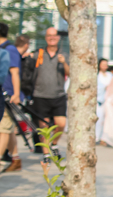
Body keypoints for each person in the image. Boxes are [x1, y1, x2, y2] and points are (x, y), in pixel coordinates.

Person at [30, 27, 69, 161]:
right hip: (40, 94)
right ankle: (46, 153)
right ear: (46, 37)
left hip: (58, 95)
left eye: (54, 35)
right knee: (44, 126)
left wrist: (64, 63)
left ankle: (54, 144)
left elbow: (70, 74)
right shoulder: (39, 53)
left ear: (58, 37)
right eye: (49, 35)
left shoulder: (64, 54)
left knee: (61, 124)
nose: (52, 38)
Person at [0, 22, 21, 173]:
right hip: (4, 93)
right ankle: (16, 158)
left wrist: (16, 93)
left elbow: (15, 73)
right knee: (8, 129)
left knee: (4, 130)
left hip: (7, 94)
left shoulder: (9, 49)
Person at [96, 58, 113, 142]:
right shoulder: (96, 75)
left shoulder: (110, 75)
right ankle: (96, 137)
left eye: (106, 65)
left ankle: (103, 138)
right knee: (98, 119)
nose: (104, 66)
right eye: (103, 64)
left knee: (106, 120)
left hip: (108, 100)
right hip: (98, 100)